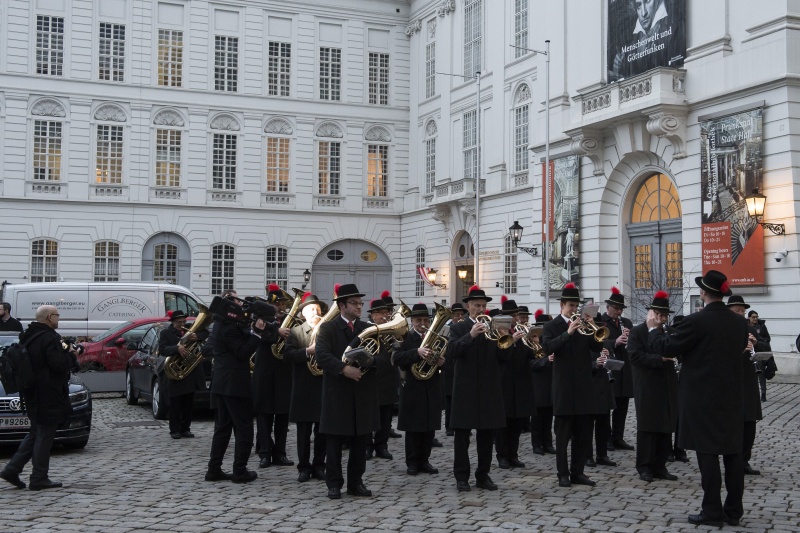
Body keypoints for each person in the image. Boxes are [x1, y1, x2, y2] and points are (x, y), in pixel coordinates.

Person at [646, 270, 748, 527]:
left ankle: (712, 511)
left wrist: (653, 329)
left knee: (708, 454)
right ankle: (734, 511)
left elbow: (667, 347)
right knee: (734, 455)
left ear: (703, 293)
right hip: (733, 397)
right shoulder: (739, 323)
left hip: (703, 398)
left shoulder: (697, 321)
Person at [1, 305, 79, 490]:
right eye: (57, 316)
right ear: (50, 317)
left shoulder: (28, 336)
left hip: (31, 391)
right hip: (47, 392)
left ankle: (12, 469)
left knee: (36, 431)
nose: (58, 319)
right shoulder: (49, 338)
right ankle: (39, 476)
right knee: (45, 433)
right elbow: (58, 364)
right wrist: (72, 357)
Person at [314, 283, 379, 500]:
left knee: (361, 442)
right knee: (334, 442)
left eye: (360, 303)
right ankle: (334, 484)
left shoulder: (367, 328)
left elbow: (383, 358)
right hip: (338, 393)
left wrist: (369, 362)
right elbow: (322, 355)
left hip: (362, 392)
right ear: (342, 306)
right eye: (354, 303)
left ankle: (355, 482)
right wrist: (344, 369)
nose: (359, 306)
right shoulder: (328, 328)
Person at [206, 297, 278, 483]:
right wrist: (257, 334)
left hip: (222, 384)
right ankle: (239, 470)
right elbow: (243, 352)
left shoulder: (221, 325)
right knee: (244, 428)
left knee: (222, 428)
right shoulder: (229, 328)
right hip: (234, 385)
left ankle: (214, 469)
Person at [446, 285, 509, 492]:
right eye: (477, 305)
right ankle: (461, 477)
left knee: (486, 435)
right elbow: (452, 352)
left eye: (483, 306)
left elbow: (503, 359)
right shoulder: (458, 327)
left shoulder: (493, 327)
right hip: (465, 389)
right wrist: (470, 335)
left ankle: (483, 475)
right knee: (462, 436)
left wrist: (506, 342)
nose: (481, 309)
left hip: (489, 388)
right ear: (468, 306)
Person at [542, 283, 604, 488]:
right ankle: (563, 473)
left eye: (576, 305)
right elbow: (548, 347)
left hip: (584, 386)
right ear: (561, 305)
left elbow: (597, 345)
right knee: (562, 435)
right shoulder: (552, 326)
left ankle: (578, 472)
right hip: (564, 387)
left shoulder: (584, 325)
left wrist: (593, 325)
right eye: (570, 305)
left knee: (584, 433)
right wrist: (567, 333)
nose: (574, 309)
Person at [627, 290, 678, 483]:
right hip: (647, 385)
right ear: (651, 313)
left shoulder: (669, 332)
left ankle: (660, 466)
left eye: (664, 315)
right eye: (658, 314)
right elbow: (634, 356)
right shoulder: (638, 332)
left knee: (665, 427)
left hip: (667, 384)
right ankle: (645, 467)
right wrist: (660, 358)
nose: (661, 318)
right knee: (648, 427)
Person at [392, 303, 444, 476]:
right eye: (418, 320)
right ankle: (412, 462)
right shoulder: (404, 337)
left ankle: (425, 460)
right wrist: (417, 352)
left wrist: (440, 361)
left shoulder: (435, 337)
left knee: (429, 427)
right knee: (413, 429)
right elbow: (397, 358)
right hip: (413, 387)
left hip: (431, 386)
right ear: (412, 321)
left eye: (425, 320)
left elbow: (445, 357)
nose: (422, 323)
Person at [284, 293, 328, 482]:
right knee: (303, 431)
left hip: (322, 386)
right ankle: (303, 467)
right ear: (302, 314)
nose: (315, 312)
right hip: (303, 387)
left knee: (322, 431)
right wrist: (307, 351)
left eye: (317, 309)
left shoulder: (327, 331)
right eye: (311, 309)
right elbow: (287, 355)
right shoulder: (296, 332)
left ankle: (319, 465)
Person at [252, 285, 295, 468]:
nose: (281, 307)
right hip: (265, 372)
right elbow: (260, 336)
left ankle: (280, 453)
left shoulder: (289, 320)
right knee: (264, 416)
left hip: (284, 372)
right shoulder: (261, 319)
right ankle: (265, 453)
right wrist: (277, 332)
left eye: (283, 303)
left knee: (283, 416)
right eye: (278, 303)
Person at [727, 295, 765, 476]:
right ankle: (733, 461)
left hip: (749, 383)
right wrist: (741, 351)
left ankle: (744, 461)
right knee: (734, 425)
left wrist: (756, 344)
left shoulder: (750, 329)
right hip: (732, 384)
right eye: (736, 311)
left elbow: (766, 346)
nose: (740, 314)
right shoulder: (724, 332)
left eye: (742, 311)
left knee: (750, 425)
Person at [495, 296, 533, 470]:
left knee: (517, 422)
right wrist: (513, 341)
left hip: (521, 382)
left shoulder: (522, 331)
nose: (515, 319)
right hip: (504, 383)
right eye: (512, 316)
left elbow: (531, 356)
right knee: (504, 423)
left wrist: (533, 343)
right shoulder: (498, 334)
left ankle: (513, 455)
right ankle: (502, 456)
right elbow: (501, 357)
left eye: (516, 315)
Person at [159, 309, 208, 439]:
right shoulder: (166, 333)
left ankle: (185, 428)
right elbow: (162, 349)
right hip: (176, 373)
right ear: (173, 322)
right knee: (175, 403)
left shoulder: (190, 330)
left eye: (183, 321)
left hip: (190, 372)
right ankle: (174, 430)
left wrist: (197, 337)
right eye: (179, 322)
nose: (182, 324)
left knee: (188, 403)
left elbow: (206, 332)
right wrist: (176, 348)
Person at [608, 0, 685, 82]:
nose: (643, 13)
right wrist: (619, 69)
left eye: (647, 1)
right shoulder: (632, 40)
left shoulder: (676, 26)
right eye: (638, 5)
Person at [601, 287, 635, 451]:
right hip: (610, 368)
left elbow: (635, 342)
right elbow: (598, 343)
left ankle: (618, 437)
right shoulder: (601, 322)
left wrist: (630, 338)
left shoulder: (627, 323)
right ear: (608, 308)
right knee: (609, 405)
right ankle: (606, 438)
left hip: (624, 368)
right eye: (616, 309)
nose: (619, 312)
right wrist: (615, 342)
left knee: (623, 406)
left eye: (621, 309)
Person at [366, 297, 397, 461]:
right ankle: (367, 446)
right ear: (373, 315)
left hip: (389, 378)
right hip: (373, 376)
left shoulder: (391, 331)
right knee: (370, 415)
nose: (385, 316)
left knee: (386, 416)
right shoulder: (367, 330)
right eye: (381, 313)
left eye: (386, 312)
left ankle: (381, 446)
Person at [586, 344, 617, 469]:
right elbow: (577, 365)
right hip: (589, 388)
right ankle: (587, 456)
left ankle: (602, 455)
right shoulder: (582, 343)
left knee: (603, 425)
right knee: (587, 427)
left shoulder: (605, 343)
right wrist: (595, 363)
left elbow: (615, 363)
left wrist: (608, 357)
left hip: (604, 389)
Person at [530, 309, 556, 456]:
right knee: (537, 418)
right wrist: (546, 361)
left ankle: (548, 443)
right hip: (537, 384)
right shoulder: (531, 344)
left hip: (550, 383)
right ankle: (537, 444)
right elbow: (531, 364)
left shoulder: (549, 342)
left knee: (548, 416)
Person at [443, 302, 466, 437]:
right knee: (450, 399)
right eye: (457, 314)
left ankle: (461, 425)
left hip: (460, 367)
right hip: (449, 366)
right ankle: (449, 426)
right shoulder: (447, 328)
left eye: (462, 314)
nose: (459, 316)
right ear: (452, 315)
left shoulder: (465, 328)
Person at [747, 310, 772, 401]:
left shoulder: (761, 326)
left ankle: (763, 393)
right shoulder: (746, 326)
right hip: (748, 353)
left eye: (756, 317)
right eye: (753, 317)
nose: (755, 319)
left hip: (760, 352)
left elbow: (768, 338)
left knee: (761, 373)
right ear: (749, 317)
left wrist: (759, 342)